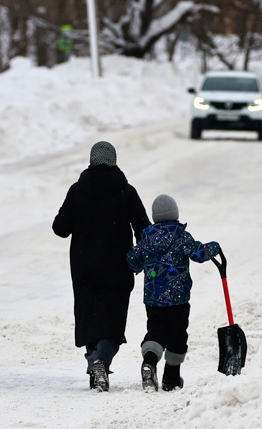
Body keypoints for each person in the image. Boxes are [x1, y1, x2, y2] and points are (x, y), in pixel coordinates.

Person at [53, 141, 150, 392]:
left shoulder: (77, 190)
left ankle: (95, 364)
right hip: (117, 268)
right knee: (113, 321)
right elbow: (144, 230)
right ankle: (102, 359)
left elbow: (60, 229)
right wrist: (140, 255)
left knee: (90, 318)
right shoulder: (126, 191)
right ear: (114, 161)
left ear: (91, 161)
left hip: (84, 267)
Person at [126, 194, 220, 392]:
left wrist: (137, 261)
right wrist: (214, 247)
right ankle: (171, 378)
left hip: (153, 298)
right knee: (177, 335)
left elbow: (133, 259)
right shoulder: (180, 235)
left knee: (156, 331)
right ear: (175, 214)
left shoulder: (147, 236)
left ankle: (149, 363)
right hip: (178, 299)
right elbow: (199, 253)